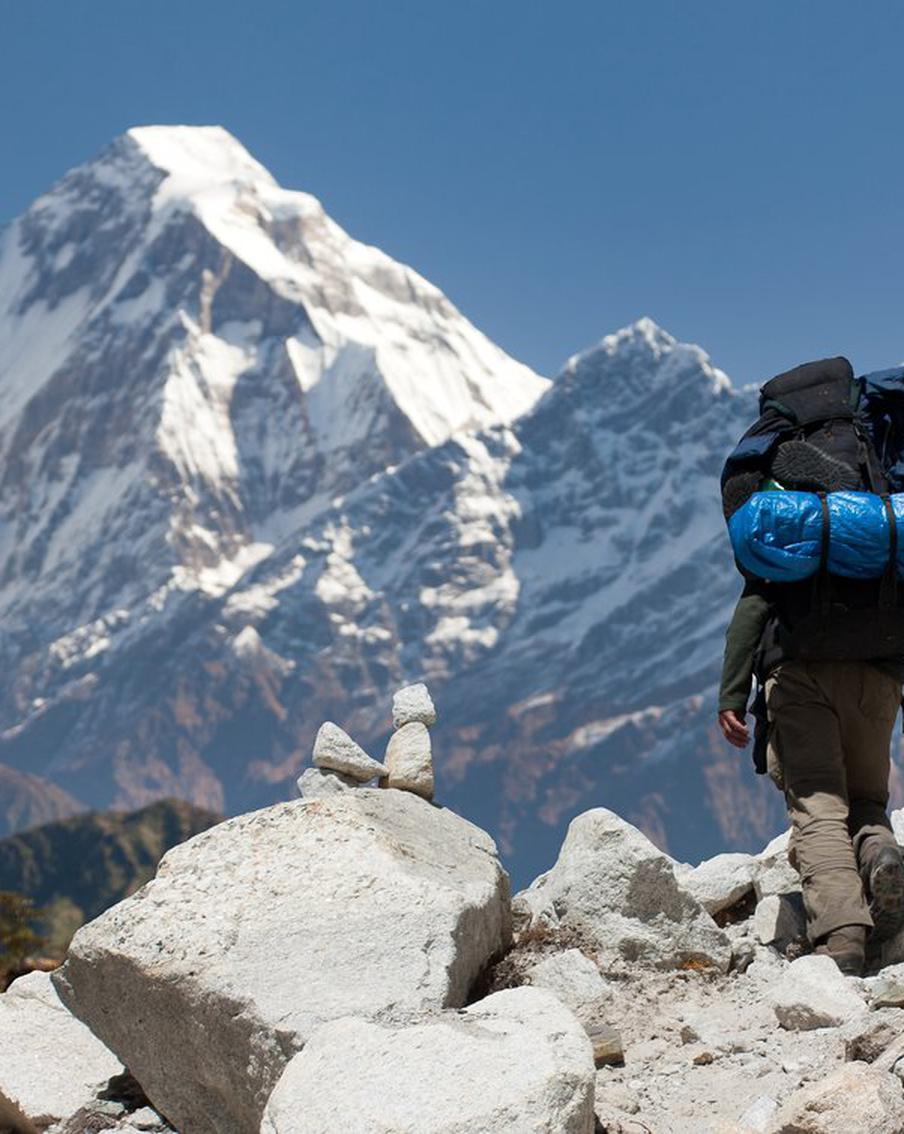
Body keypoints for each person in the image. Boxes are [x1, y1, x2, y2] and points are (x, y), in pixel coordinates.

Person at [718, 359, 904, 977]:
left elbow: (754, 604)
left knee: (818, 803)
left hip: (799, 673)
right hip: (878, 676)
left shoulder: (789, 523)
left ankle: (843, 936)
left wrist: (732, 694)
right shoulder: (878, 508)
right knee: (868, 798)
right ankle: (879, 852)